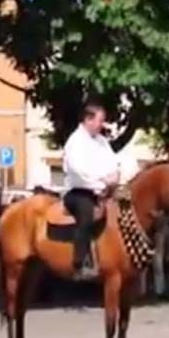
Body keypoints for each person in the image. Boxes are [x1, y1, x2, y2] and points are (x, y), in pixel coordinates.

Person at [62, 100, 121, 280]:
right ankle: (80, 263)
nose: (101, 124)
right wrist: (101, 183)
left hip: (103, 190)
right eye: (99, 120)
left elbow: (113, 163)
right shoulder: (75, 142)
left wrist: (114, 176)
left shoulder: (102, 142)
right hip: (80, 192)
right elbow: (78, 172)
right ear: (88, 119)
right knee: (86, 213)